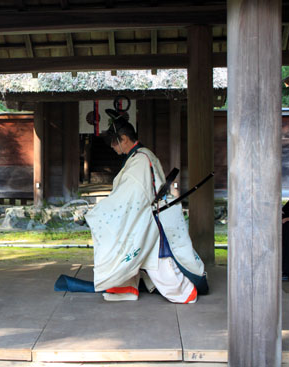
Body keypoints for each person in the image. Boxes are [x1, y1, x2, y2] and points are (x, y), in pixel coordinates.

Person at [83, 111, 207, 303]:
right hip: (150, 214)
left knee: (157, 261)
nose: (113, 148)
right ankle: (123, 287)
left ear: (123, 139)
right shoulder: (142, 156)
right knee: (133, 251)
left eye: (114, 143)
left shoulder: (140, 159)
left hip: (149, 217)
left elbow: (132, 194)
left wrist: (102, 210)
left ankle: (183, 292)